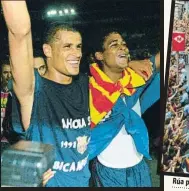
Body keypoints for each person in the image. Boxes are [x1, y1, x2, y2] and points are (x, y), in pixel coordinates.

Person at [2, 2, 153, 187]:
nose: (76, 53)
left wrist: (130, 63)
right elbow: (20, 32)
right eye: (67, 46)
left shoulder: (87, 85)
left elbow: (113, 70)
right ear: (47, 50)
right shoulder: (35, 92)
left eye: (78, 46)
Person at [86, 29, 160, 187]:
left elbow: (161, 57)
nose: (123, 48)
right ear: (99, 55)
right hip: (108, 171)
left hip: (139, 166)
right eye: (114, 45)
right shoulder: (89, 90)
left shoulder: (136, 79)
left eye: (124, 44)